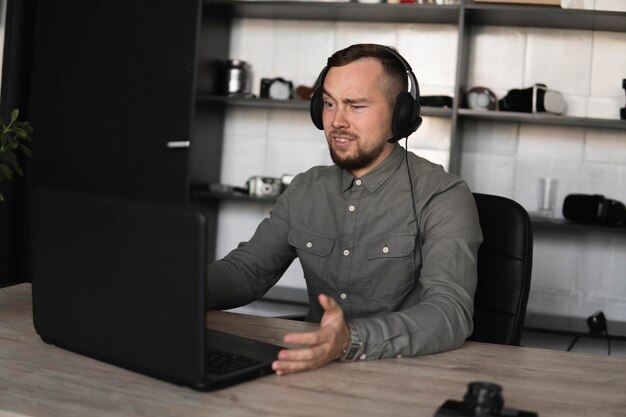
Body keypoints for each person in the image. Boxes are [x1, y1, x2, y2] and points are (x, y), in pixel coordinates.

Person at [206, 44, 483, 376]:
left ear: (401, 115)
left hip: (405, 374)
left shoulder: (443, 194)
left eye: (356, 105)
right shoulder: (305, 188)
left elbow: (449, 312)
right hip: (310, 369)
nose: (336, 121)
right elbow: (247, 271)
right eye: (328, 104)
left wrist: (350, 339)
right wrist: (177, 289)